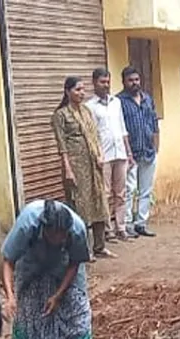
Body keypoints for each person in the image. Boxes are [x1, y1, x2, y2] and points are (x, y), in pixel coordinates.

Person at [0, 199, 94, 339]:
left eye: (63, 236)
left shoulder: (77, 229)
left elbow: (75, 263)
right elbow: (8, 260)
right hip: (31, 263)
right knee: (30, 313)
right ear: (45, 229)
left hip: (63, 264)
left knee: (76, 311)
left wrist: (58, 295)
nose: (59, 239)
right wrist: (10, 297)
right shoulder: (27, 224)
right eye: (54, 236)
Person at [52, 76, 112, 259]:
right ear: (67, 92)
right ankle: (82, 249)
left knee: (99, 201)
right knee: (80, 206)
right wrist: (68, 169)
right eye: (77, 90)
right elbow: (62, 145)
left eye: (83, 90)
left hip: (94, 164)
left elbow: (96, 136)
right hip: (76, 166)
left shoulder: (86, 111)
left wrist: (100, 156)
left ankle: (100, 246)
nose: (81, 93)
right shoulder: (60, 115)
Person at [86, 67, 133, 242]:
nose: (106, 85)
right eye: (102, 82)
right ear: (94, 83)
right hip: (103, 155)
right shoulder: (89, 107)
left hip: (119, 152)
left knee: (120, 193)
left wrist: (128, 152)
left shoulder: (116, 102)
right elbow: (91, 134)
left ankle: (121, 227)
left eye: (107, 82)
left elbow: (122, 128)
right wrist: (96, 155)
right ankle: (107, 230)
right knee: (105, 194)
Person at [119, 66, 160, 239]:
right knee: (129, 189)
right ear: (124, 82)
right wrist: (126, 152)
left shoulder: (147, 99)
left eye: (136, 79)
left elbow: (154, 123)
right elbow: (120, 129)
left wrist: (157, 146)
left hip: (149, 152)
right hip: (131, 154)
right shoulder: (119, 102)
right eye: (130, 80)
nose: (134, 83)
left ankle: (141, 223)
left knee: (146, 190)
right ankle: (127, 224)